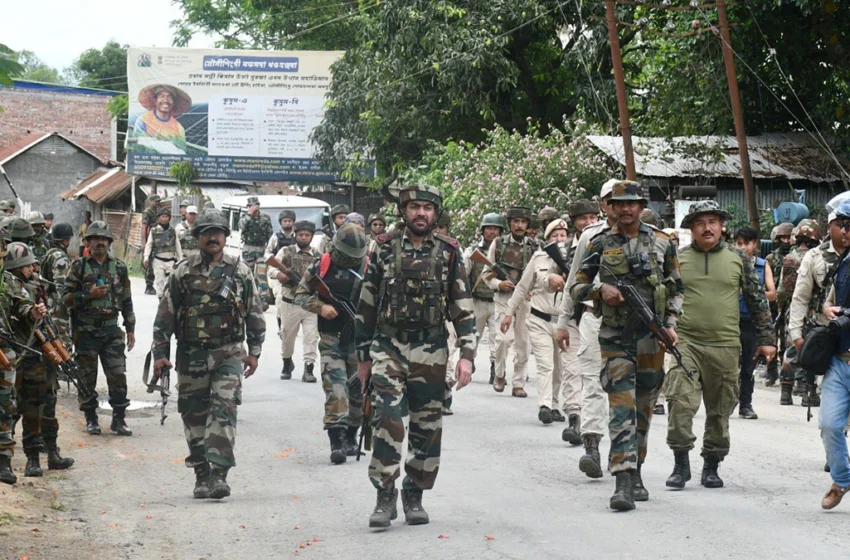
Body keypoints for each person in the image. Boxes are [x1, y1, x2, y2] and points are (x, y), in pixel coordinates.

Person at [356, 185, 475, 528]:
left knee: (427, 424)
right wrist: (363, 357)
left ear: (436, 213)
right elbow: (367, 302)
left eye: (427, 207)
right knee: (387, 417)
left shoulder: (449, 251)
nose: (421, 213)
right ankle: (384, 494)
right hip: (388, 346)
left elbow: (462, 305)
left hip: (431, 349)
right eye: (414, 207)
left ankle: (414, 494)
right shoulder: (382, 247)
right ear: (403, 211)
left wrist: (466, 355)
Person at [570, 180, 683, 511]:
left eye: (631, 203)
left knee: (643, 408)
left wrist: (670, 324)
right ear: (611, 207)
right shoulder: (599, 243)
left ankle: (637, 472)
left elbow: (676, 288)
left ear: (641, 206)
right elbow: (576, 286)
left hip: (652, 338)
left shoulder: (663, 243)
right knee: (622, 407)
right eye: (619, 203)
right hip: (615, 337)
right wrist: (599, 290)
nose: (625, 208)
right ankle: (622, 481)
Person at [152, 208, 266, 500]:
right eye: (207, 232)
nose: (213, 237)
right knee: (194, 414)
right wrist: (160, 354)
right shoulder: (183, 270)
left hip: (229, 353)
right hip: (191, 355)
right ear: (198, 237)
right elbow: (165, 315)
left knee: (224, 409)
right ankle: (201, 473)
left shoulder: (240, 271)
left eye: (218, 232)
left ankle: (219, 474)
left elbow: (254, 311)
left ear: (226, 236)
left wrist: (255, 351)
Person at [665, 202, 774, 491]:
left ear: (721, 226)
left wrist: (767, 340)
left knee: (720, 409)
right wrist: (665, 328)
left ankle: (712, 465)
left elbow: (757, 300)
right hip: (686, 343)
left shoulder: (738, 258)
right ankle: (680, 463)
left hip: (725, 345)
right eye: (700, 223)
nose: (707, 228)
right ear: (691, 228)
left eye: (712, 221)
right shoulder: (677, 258)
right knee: (680, 402)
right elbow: (664, 297)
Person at [557, 182, 618, 480]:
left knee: (627, 388)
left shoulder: (650, 238)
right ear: (603, 205)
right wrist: (563, 322)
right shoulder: (590, 237)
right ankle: (591, 446)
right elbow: (574, 280)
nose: (619, 206)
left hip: (634, 325)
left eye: (626, 200)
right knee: (592, 381)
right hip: (595, 318)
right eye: (611, 200)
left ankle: (625, 452)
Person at [294, 223, 366, 464]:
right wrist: (321, 307)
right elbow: (301, 294)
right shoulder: (320, 266)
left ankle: (351, 436)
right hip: (331, 339)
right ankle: (336, 441)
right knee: (335, 389)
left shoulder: (369, 267)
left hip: (360, 342)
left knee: (359, 391)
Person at [62, 221, 136, 436]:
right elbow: (65, 298)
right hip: (86, 332)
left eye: (104, 239)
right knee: (86, 378)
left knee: (118, 376)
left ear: (109, 242)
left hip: (112, 331)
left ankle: (119, 419)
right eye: (96, 238)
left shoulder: (119, 267)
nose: (100, 242)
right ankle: (91, 418)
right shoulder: (79, 267)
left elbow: (127, 299)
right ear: (88, 242)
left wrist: (130, 327)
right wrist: (88, 295)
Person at [502, 218, 576, 426]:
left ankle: (555, 404)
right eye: (555, 236)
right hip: (539, 319)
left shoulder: (575, 259)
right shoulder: (538, 258)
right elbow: (522, 287)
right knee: (545, 364)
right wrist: (509, 313)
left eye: (563, 235)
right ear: (548, 238)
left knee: (560, 367)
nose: (559, 239)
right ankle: (545, 405)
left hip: (563, 323)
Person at [5, 243, 57, 477]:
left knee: (33, 407)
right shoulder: (9, 285)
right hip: (11, 355)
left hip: (32, 354)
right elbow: (21, 306)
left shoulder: (32, 285)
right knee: (8, 409)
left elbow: (31, 310)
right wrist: (31, 312)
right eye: (28, 265)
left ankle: (33, 458)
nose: (33, 268)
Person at [790, 211, 849, 416]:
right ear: (829, 227)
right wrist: (796, 334)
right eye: (839, 224)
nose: (844, 230)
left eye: (848, 224)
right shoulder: (815, 256)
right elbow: (800, 297)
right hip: (824, 333)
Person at [552, 199, 600, 443]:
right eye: (583, 218)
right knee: (572, 369)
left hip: (596, 315)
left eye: (593, 217)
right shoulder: (562, 249)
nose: (588, 222)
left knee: (594, 375)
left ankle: (592, 423)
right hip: (572, 315)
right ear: (574, 222)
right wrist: (552, 279)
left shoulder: (604, 241)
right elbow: (549, 275)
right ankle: (574, 417)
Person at [814, 201, 850, 509]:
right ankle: (842, 479)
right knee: (829, 424)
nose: (846, 232)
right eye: (844, 225)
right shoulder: (842, 263)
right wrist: (828, 309)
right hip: (840, 358)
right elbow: (827, 301)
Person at [37, 223, 77, 471]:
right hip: (56, 315)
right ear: (67, 239)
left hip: (48, 311)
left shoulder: (47, 254)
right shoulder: (60, 257)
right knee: (53, 367)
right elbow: (62, 288)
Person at [487, 206, 535, 397]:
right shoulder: (498, 244)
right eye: (516, 221)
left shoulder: (534, 246)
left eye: (523, 222)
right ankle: (499, 374)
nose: (520, 225)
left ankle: (518, 383)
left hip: (525, 300)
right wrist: (499, 284)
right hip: (504, 298)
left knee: (523, 343)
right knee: (502, 340)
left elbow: (540, 274)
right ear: (510, 224)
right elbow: (486, 274)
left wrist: (533, 290)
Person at [777, 219, 822, 405]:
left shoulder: (789, 258)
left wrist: (781, 309)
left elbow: (781, 290)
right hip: (812, 311)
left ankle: (785, 392)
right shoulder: (817, 257)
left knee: (791, 349)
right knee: (810, 348)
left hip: (792, 309)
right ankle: (807, 392)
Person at [733, 227, 776, 420]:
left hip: (752, 322)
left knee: (749, 366)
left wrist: (752, 292)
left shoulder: (762, 265)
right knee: (729, 365)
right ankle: (728, 401)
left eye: (746, 243)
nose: (742, 247)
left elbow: (773, 294)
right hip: (731, 321)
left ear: (754, 244)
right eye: (739, 243)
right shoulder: (731, 264)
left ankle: (745, 405)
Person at [271, 220, 320, 381]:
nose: (304, 238)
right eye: (300, 235)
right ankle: (287, 364)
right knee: (287, 338)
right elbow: (271, 268)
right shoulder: (286, 251)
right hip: (289, 302)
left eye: (307, 235)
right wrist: (279, 274)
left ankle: (309, 369)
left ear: (312, 236)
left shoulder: (317, 255)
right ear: (295, 235)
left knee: (311, 338)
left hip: (310, 304)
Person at [463, 213, 504, 385]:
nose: (492, 232)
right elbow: (464, 275)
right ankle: (468, 363)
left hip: (497, 301)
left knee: (498, 339)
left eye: (495, 229)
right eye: (489, 228)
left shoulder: (504, 251)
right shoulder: (473, 251)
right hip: (477, 301)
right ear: (483, 230)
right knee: (473, 337)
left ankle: (496, 371)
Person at [765, 222, 794, 386]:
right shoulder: (771, 258)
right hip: (773, 304)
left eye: (789, 237)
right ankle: (771, 372)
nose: (786, 240)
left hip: (790, 303)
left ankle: (786, 374)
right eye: (783, 237)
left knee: (786, 340)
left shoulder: (796, 257)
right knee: (771, 338)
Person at [264, 210, 297, 333]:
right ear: (281, 223)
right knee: (280, 299)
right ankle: (281, 328)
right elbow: (267, 254)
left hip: (295, 273)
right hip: (278, 273)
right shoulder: (275, 237)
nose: (287, 223)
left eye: (290, 221)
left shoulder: (298, 236)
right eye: (285, 221)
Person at [144, 207, 183, 299]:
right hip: (158, 261)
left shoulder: (173, 231)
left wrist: (180, 258)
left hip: (171, 261)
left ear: (169, 218)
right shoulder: (154, 230)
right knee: (159, 281)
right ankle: (161, 299)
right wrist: (146, 257)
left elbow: (177, 244)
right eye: (163, 216)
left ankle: (167, 299)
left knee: (169, 282)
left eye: (166, 216)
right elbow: (149, 245)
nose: (165, 219)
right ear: (159, 218)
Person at [141, 197, 161, 295]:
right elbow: (144, 227)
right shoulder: (147, 212)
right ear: (150, 201)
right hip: (150, 240)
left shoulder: (159, 212)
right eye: (156, 201)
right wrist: (144, 243)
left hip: (158, 240)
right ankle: (149, 285)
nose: (158, 203)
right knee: (149, 263)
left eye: (159, 201)